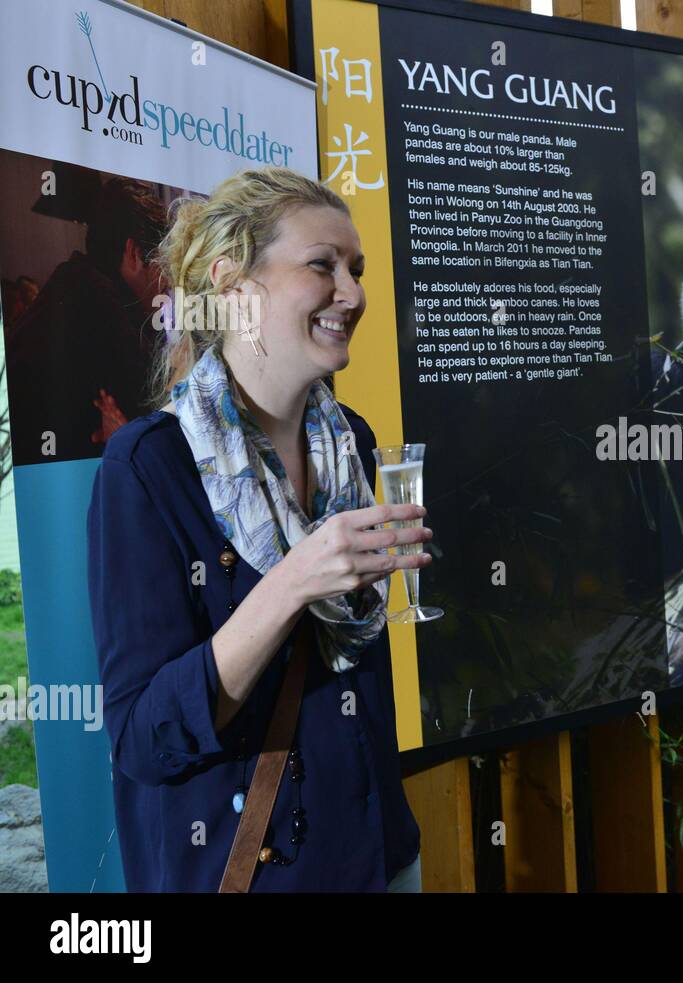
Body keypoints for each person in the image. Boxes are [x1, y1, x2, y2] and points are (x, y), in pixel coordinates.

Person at [87, 167, 428, 891]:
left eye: (356, 269)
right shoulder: (148, 468)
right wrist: (295, 580)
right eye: (322, 265)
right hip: (259, 871)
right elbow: (144, 738)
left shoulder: (354, 442)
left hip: (382, 855)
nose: (353, 292)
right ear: (234, 285)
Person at [8, 177, 169, 462]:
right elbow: (158, 441)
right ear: (133, 253)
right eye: (162, 264)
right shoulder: (107, 315)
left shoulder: (70, 283)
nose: (167, 281)